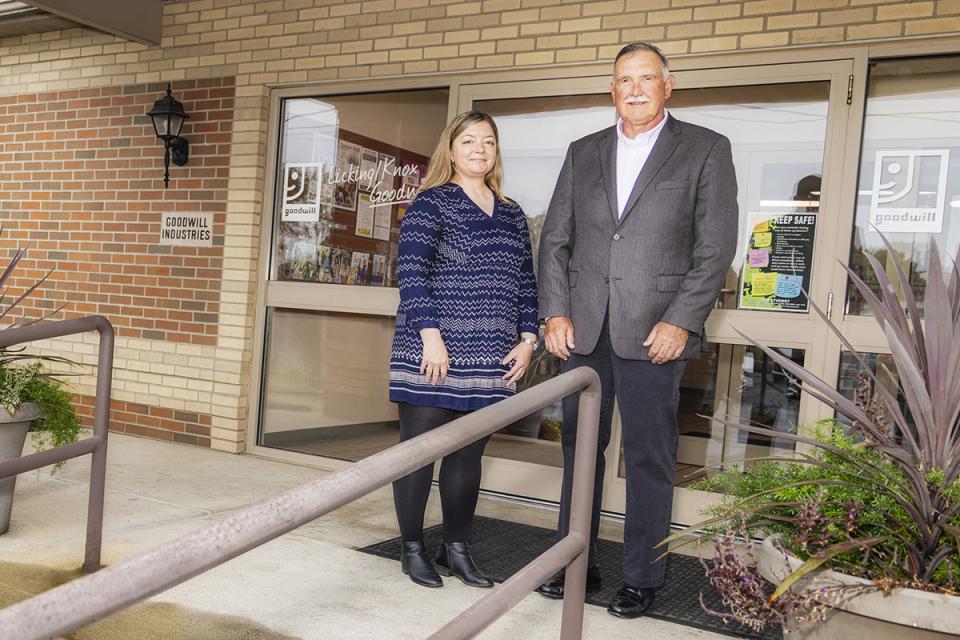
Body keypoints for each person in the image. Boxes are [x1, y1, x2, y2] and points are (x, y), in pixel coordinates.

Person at [535, 42, 738, 618]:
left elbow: (715, 247)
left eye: (647, 78)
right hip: (584, 331)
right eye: (625, 80)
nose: (636, 89)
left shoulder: (705, 148)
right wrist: (555, 311)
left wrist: (681, 319)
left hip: (656, 334)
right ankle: (574, 562)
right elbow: (555, 241)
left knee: (649, 455)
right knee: (580, 452)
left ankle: (642, 576)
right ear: (612, 90)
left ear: (667, 85)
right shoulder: (583, 152)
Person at [388, 110, 539, 589]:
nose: (479, 149)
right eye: (469, 141)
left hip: (490, 355)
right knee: (419, 455)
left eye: (488, 141)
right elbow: (411, 273)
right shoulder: (432, 203)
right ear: (451, 151)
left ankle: (456, 549)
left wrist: (528, 339)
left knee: (467, 457)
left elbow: (526, 282)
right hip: (432, 353)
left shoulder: (512, 213)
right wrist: (431, 337)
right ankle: (412, 548)